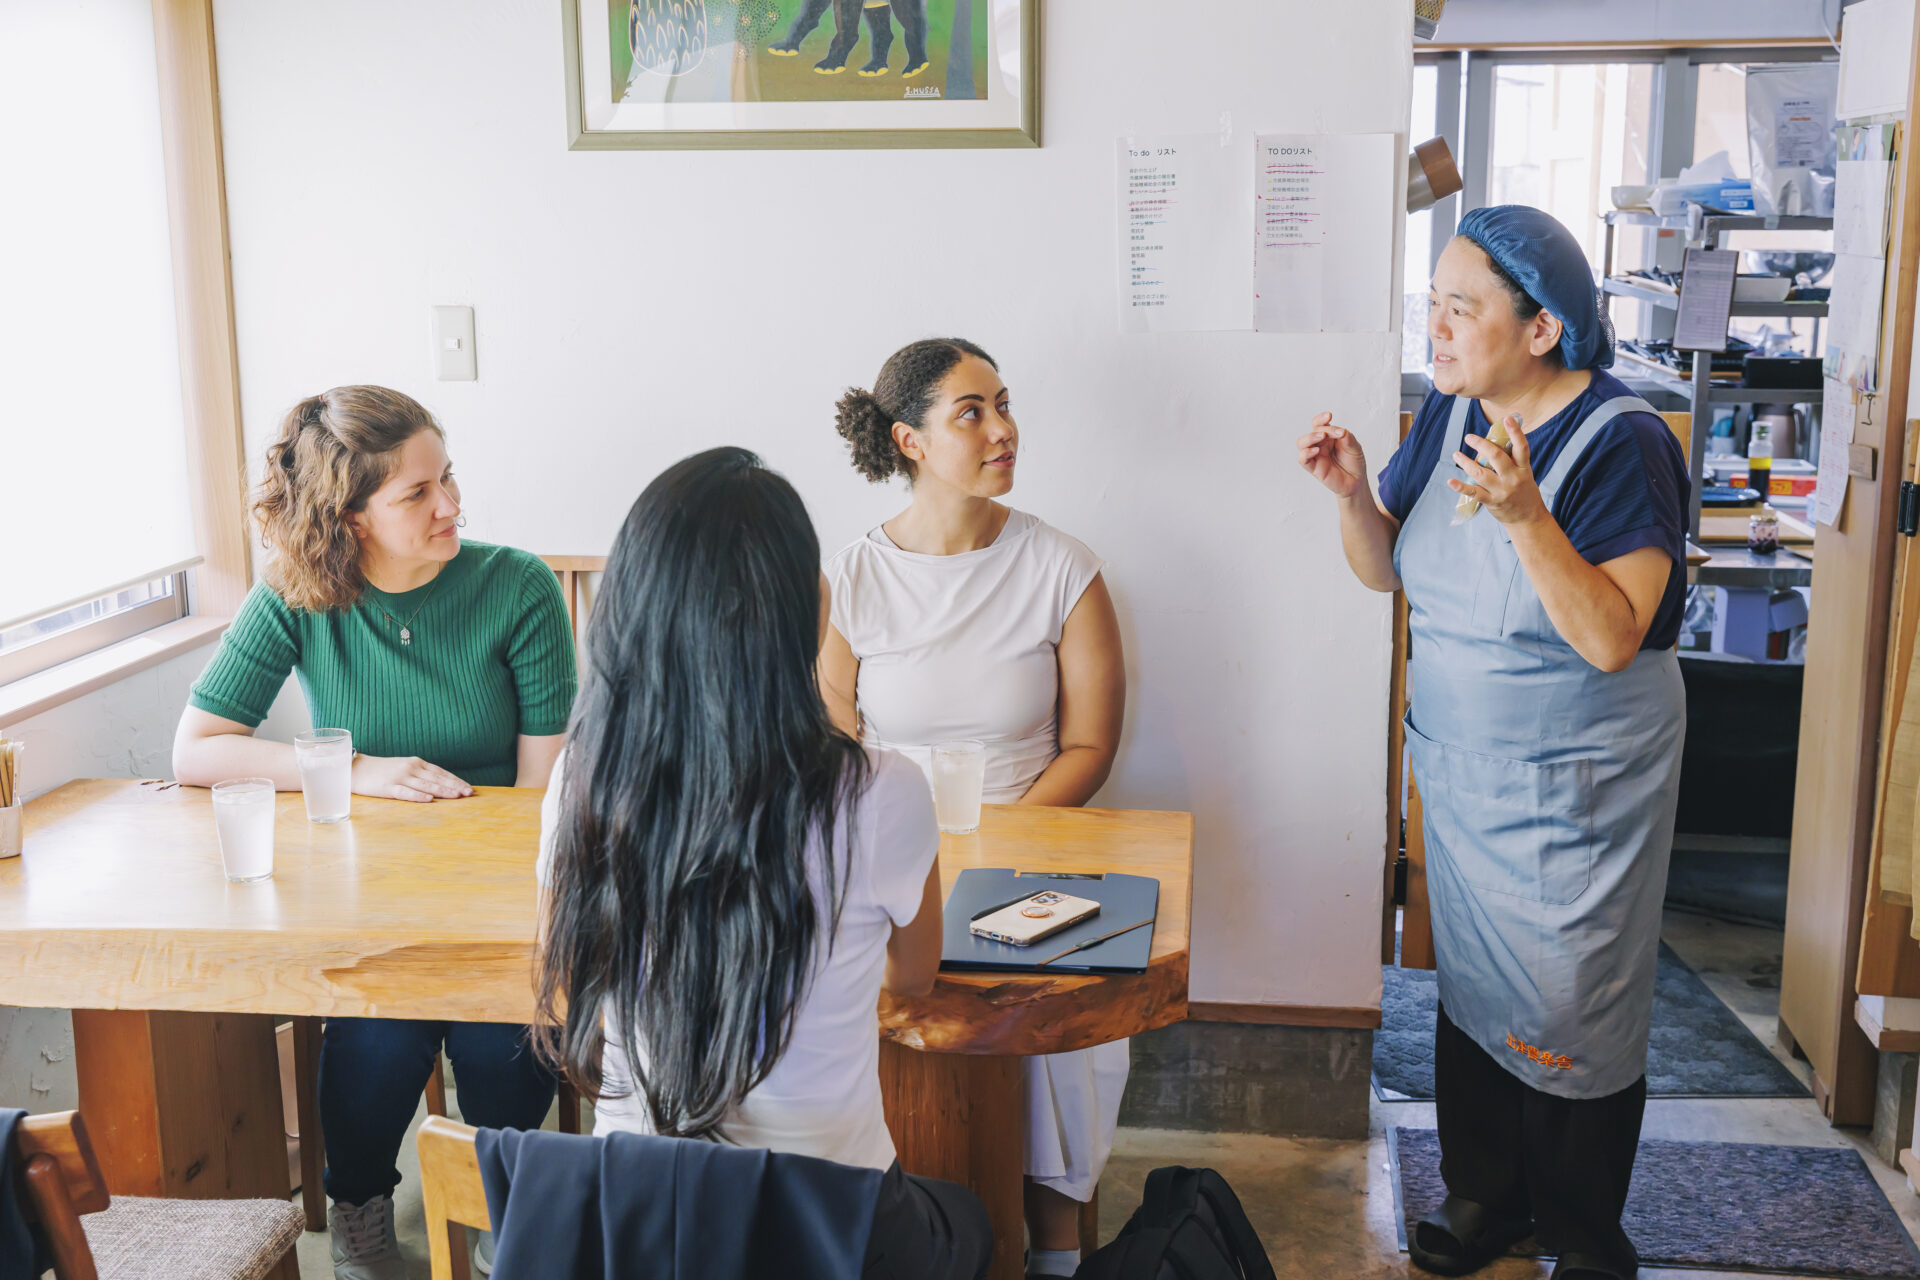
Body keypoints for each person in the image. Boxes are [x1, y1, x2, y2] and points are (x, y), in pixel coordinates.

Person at [1299, 206, 1687, 1280]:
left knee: (1574, 998)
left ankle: (1583, 1226)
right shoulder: (1450, 414)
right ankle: (1488, 1198)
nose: (1438, 327)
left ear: (1542, 328)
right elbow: (1387, 570)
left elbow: (1614, 635)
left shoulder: (1625, 443)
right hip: (1465, 777)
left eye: (1460, 308)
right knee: (1471, 984)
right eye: (1433, 304)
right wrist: (1349, 495)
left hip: (1581, 787)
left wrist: (1527, 515)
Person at [533, 446, 992, 1280]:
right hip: (825, 1224)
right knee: (968, 1219)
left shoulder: (581, 780)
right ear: (798, 611)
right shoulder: (882, 792)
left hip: (640, 1222)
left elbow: (579, 969)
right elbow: (915, 979)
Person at [173, 386, 576, 1280]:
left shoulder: (518, 585)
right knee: (375, 1034)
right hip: (370, 897)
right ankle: (358, 1208)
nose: (451, 506)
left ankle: (499, 1215)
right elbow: (198, 748)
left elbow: (545, 788)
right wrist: (351, 770)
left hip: (503, 889)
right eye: (416, 494)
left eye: (449, 478)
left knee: (499, 1039)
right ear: (348, 518)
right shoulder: (299, 593)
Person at [817, 338, 1126, 1280]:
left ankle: (1058, 1253)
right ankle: (900, 1222)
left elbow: (1091, 746)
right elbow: (834, 741)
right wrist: (900, 853)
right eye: (971, 413)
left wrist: (1009, 843)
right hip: (885, 860)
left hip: (1031, 854)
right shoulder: (854, 578)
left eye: (1004, 405)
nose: (1003, 430)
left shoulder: (1062, 566)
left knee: (1059, 1035)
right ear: (908, 440)